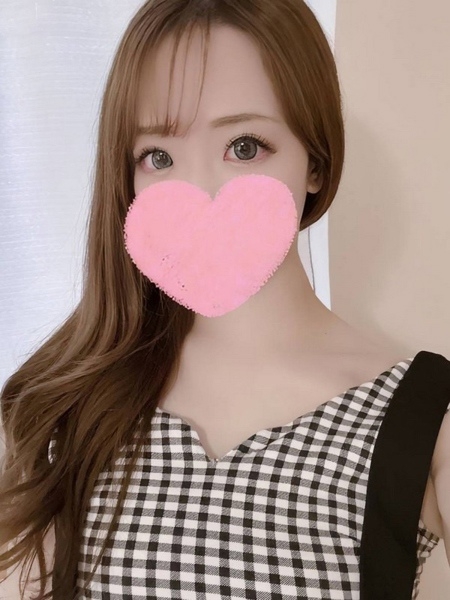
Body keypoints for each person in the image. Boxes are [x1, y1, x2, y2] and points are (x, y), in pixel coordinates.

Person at [1, 1, 449, 598]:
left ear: (314, 163)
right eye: (158, 157)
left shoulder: (425, 418)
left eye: (244, 146)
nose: (200, 191)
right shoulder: (60, 409)